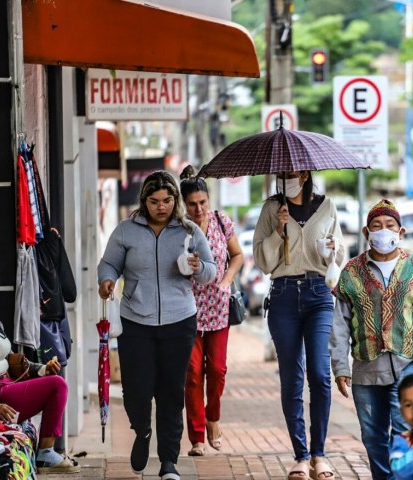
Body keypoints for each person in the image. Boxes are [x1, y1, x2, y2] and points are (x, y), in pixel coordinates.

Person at [97, 171, 216, 480]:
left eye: (167, 200)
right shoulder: (126, 231)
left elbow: (210, 271)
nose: (161, 207)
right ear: (144, 200)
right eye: (154, 201)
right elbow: (109, 263)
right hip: (136, 321)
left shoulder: (188, 231)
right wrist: (107, 280)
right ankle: (142, 429)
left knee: (171, 392)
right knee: (137, 390)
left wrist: (197, 266)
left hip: (179, 321)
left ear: (174, 200)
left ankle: (169, 463)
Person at [330, 199, 413, 480]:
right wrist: (340, 367)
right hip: (366, 368)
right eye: (377, 226)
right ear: (366, 233)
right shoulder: (351, 273)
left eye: (390, 226)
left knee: (405, 432)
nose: (383, 231)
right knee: (373, 436)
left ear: (401, 232)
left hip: (409, 365)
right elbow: (338, 325)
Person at [253, 170, 344, 480]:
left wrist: (332, 248)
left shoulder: (326, 206)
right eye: (282, 174)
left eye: (291, 174)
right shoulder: (271, 210)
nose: (285, 178)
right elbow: (262, 262)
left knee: (319, 375)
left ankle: (320, 454)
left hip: (319, 294)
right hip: (283, 296)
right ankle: (301, 456)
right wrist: (278, 231)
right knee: (292, 378)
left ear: (304, 174)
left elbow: (339, 254)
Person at [179, 166, 244, 456]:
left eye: (202, 202)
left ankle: (213, 418)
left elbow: (237, 255)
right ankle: (196, 437)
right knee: (192, 373)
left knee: (216, 370)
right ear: (184, 204)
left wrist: (227, 281)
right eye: (192, 204)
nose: (198, 209)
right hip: (186, 311)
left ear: (209, 200)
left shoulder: (221, 221)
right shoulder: (177, 227)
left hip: (217, 309)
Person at [0, 272, 80, 474]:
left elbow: (13, 359)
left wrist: (42, 369)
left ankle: (46, 452)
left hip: (8, 384)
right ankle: (46, 453)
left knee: (54, 379)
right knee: (58, 385)